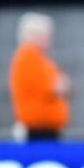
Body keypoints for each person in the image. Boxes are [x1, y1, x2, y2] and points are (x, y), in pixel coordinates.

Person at [9, 12, 70, 141]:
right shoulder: (27, 57)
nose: (49, 38)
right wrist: (60, 85)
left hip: (46, 130)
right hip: (37, 132)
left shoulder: (40, 59)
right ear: (32, 35)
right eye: (45, 34)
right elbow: (54, 88)